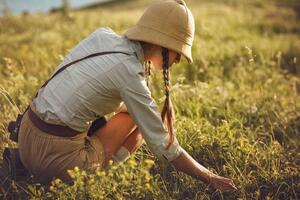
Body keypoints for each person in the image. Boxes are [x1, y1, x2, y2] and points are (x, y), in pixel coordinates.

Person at [17, 0, 237, 191]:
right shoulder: (129, 73)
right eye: (177, 52)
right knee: (140, 120)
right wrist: (210, 178)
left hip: (26, 133)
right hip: (55, 161)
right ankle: (99, 178)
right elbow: (165, 147)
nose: (178, 60)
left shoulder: (102, 36)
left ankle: (22, 165)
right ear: (162, 44)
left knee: (136, 113)